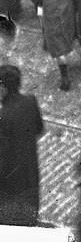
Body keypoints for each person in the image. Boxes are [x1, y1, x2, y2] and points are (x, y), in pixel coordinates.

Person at [0, 61, 43, 224]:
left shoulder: (3, 116)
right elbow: (39, 129)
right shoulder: (31, 102)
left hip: (10, 187)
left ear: (3, 88)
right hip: (30, 176)